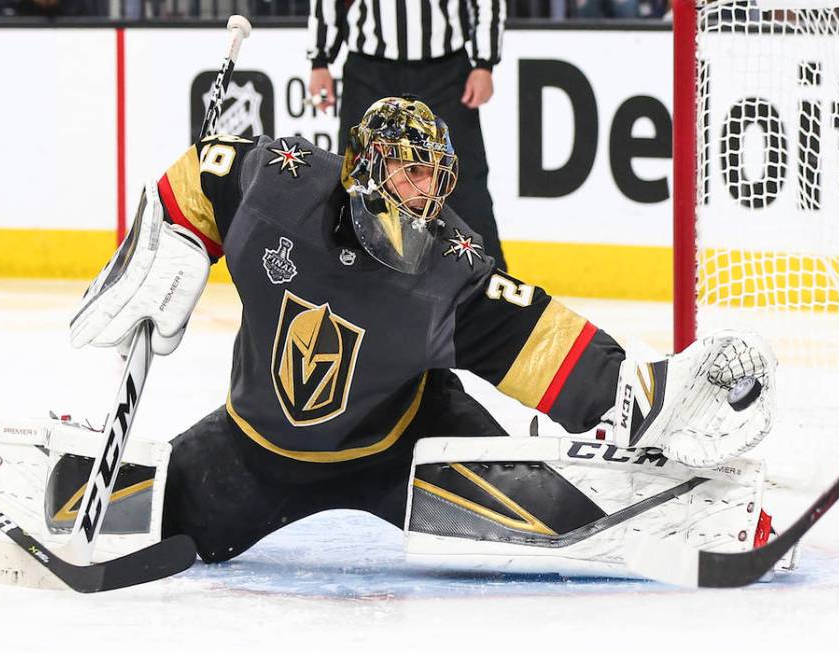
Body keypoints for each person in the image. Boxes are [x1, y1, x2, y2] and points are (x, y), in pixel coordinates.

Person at [66, 97, 783, 579]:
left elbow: (533, 335)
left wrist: (632, 389)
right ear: (368, 166)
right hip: (256, 451)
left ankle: (687, 514)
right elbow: (207, 168)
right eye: (412, 172)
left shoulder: (449, 265)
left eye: (435, 176)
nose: (427, 193)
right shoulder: (285, 185)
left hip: (407, 447)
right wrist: (174, 227)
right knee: (161, 518)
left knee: (539, 506)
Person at [306, 0, 509, 271]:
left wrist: (485, 63)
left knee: (461, 180)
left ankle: (488, 282)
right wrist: (319, 59)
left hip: (446, 70)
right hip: (367, 71)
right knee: (356, 181)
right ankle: (347, 278)